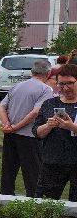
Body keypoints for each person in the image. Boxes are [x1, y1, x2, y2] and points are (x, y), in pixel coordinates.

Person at [0, 59, 54, 197]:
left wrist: (7, 125)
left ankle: (5, 197)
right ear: (48, 73)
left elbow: (1, 107)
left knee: (8, 171)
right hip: (29, 136)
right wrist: (16, 127)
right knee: (33, 173)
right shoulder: (46, 89)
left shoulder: (17, 86)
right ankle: (34, 201)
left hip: (10, 135)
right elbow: (36, 112)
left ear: (32, 71)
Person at [34, 63, 77, 200]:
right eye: (61, 84)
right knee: (45, 201)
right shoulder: (50, 104)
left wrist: (71, 127)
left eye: (70, 83)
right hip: (53, 161)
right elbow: (37, 132)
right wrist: (48, 126)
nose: (65, 88)